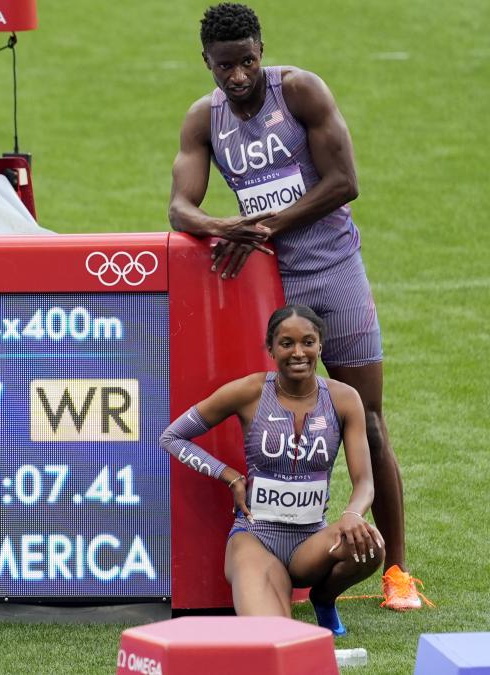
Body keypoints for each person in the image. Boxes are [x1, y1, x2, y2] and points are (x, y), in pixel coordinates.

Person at [167, 2, 426, 610]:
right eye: (224, 66)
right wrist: (221, 226)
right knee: (279, 420)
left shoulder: (300, 91)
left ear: (262, 49)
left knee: (373, 420)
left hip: (334, 274)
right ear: (206, 62)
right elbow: (179, 208)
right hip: (270, 288)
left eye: (247, 61)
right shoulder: (203, 120)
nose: (237, 76)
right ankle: (288, 545)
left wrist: (262, 225)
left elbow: (343, 181)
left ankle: (397, 573)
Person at [160, 306, 383, 634]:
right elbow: (173, 436)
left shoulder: (344, 399)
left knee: (371, 544)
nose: (298, 353)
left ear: (320, 346)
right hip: (256, 539)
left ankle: (323, 599)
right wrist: (229, 475)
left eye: (308, 342)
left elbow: (364, 481)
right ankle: (273, 595)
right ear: (270, 349)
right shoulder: (249, 392)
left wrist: (353, 513)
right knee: (273, 637)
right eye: (286, 343)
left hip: (312, 544)